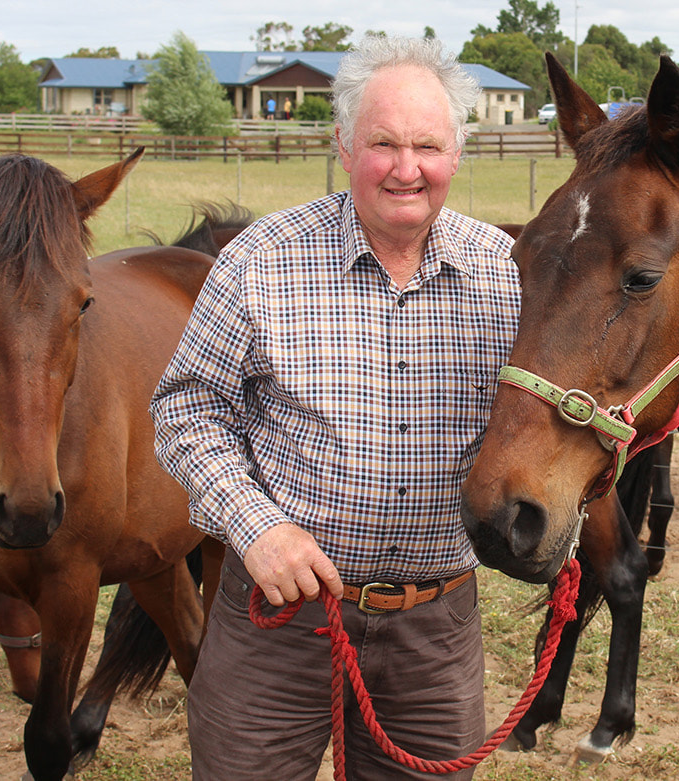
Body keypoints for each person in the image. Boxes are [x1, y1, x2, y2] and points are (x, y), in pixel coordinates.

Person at [151, 35, 516, 780]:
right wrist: (257, 527)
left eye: (427, 146)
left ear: (458, 152)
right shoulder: (261, 260)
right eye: (383, 143)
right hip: (279, 619)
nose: (407, 168)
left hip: (434, 629)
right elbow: (186, 409)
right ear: (344, 145)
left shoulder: (507, 275)